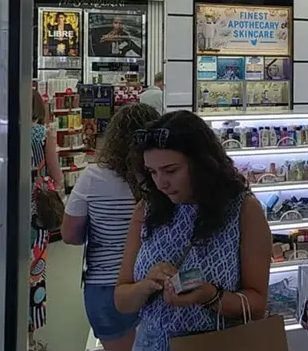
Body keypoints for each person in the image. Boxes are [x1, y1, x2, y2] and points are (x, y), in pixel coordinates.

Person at [114, 111, 271, 350]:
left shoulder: (243, 210)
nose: (161, 183)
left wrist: (209, 296)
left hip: (216, 343)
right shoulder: (146, 210)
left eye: (171, 171)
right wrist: (145, 286)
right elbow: (121, 300)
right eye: (152, 172)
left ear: (202, 164)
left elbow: (257, 305)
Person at [61, 103, 160, 351]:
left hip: (104, 285)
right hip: (154, 281)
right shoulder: (161, 176)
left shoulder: (92, 178)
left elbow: (70, 235)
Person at [29, 89, 64, 351]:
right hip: (37, 209)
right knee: (35, 271)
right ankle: (29, 337)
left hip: (6, 208)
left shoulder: (2, 131)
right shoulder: (42, 134)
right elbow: (55, 171)